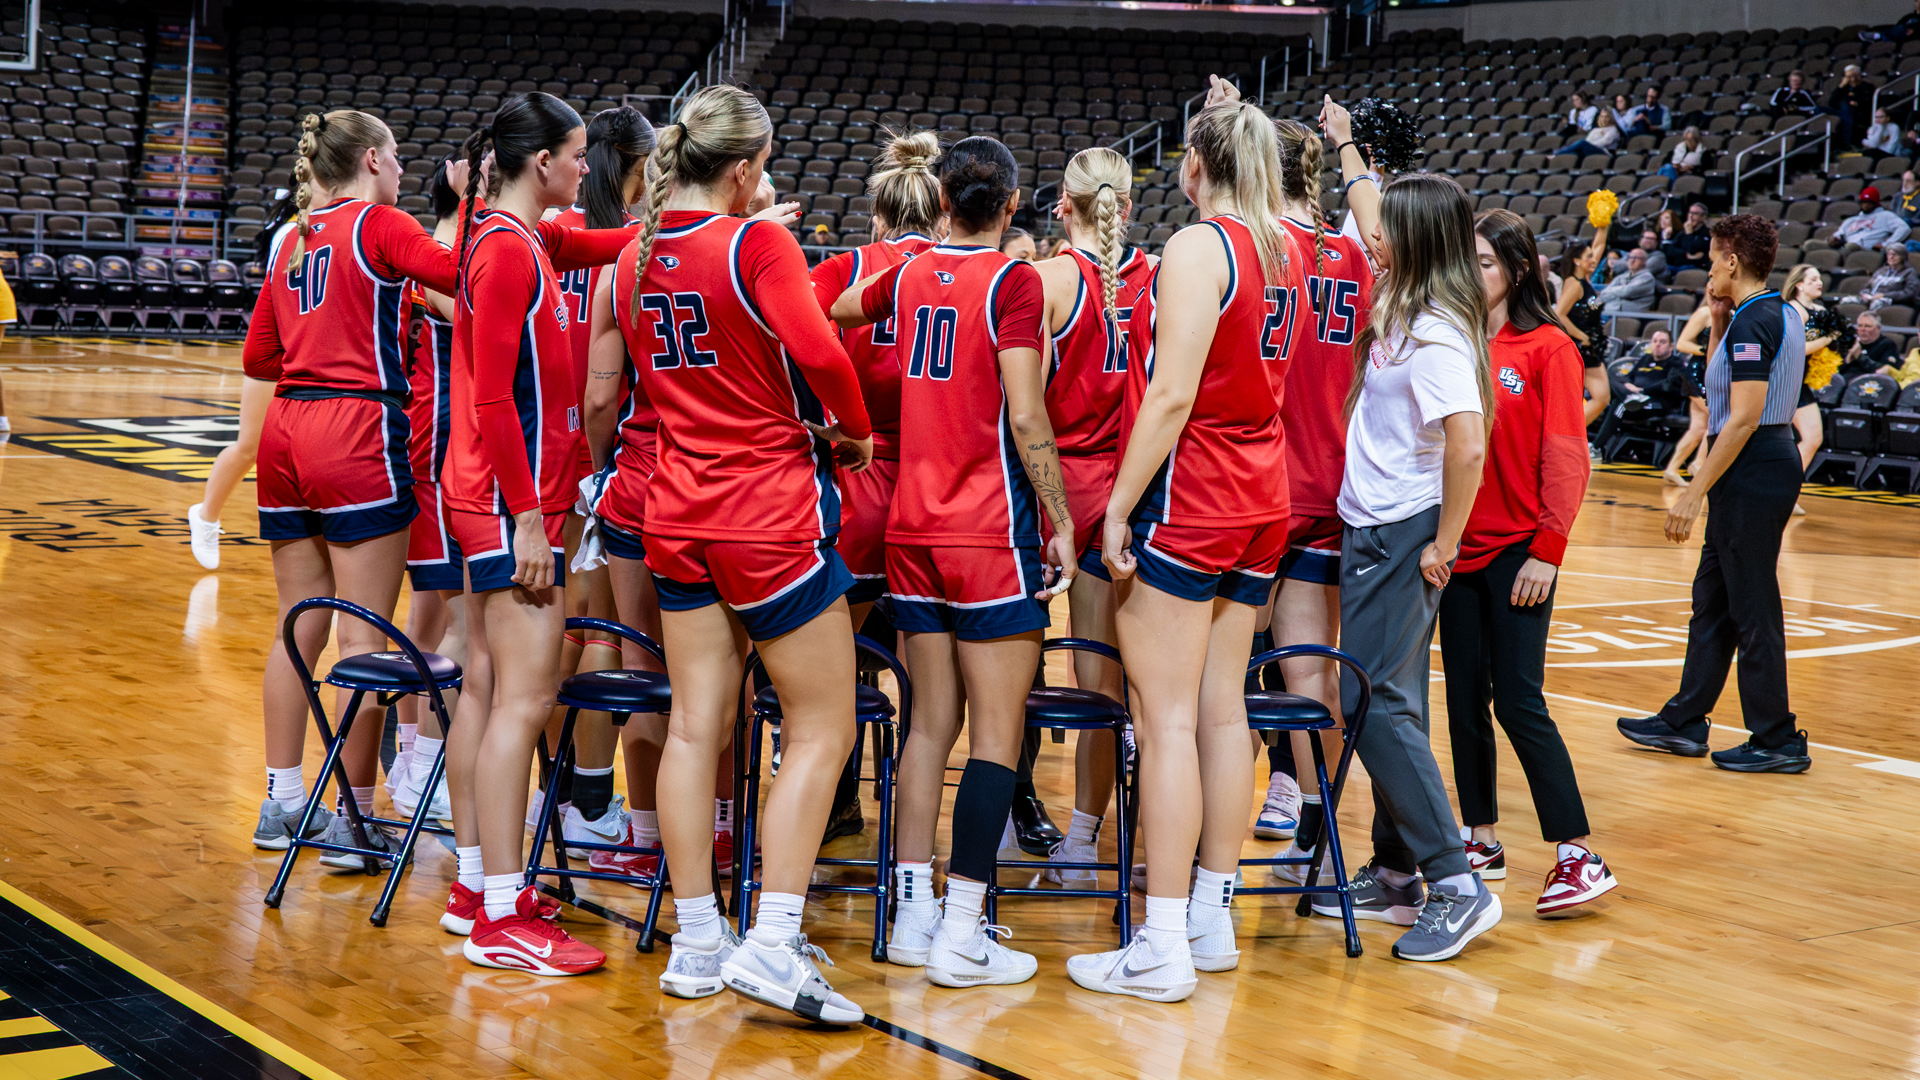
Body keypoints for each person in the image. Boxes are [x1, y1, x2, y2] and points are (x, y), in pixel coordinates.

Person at [1052, 94, 1295, 999]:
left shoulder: (1201, 246)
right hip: (1263, 492)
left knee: (1166, 723)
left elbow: (1170, 396)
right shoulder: (1287, 246)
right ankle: (1210, 917)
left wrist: (1116, 508)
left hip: (1195, 494)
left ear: (1194, 166)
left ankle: (1159, 943)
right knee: (1226, 710)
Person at [832, 135, 1069, 990]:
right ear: (1010, 206)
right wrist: (1062, 517)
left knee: (927, 725)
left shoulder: (904, 274)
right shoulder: (1015, 280)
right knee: (997, 735)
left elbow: (838, 312)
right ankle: (964, 930)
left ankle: (911, 916)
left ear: (938, 197)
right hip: (986, 532)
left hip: (909, 531)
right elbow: (1026, 413)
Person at [442, 91, 637, 974]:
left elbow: (609, 241)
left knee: (486, 690)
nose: (586, 168)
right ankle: (497, 919)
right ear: (542, 162)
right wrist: (527, 517)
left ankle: (480, 886)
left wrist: (699, 226)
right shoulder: (505, 256)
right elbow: (487, 396)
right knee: (521, 699)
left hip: (496, 498)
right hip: (505, 503)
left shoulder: (525, 237)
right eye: (577, 154)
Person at [243, 110, 460, 860]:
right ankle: (355, 819)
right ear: (371, 160)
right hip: (357, 427)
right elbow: (469, 276)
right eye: (397, 157)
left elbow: (260, 357)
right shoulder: (382, 224)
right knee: (362, 633)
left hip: (285, 431)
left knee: (295, 620)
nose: (403, 170)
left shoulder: (293, 240)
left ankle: (282, 801)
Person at [1310, 172, 1499, 961]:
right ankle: (1394, 873)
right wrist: (1349, 147)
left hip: (1403, 532)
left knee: (1374, 706)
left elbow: (1469, 442)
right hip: (1377, 526)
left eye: (1386, 229)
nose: (1371, 237)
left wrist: (1445, 544)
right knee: (1393, 701)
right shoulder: (1404, 298)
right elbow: (1365, 208)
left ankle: (1456, 885)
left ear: (1414, 240)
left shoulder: (1438, 334)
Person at [1444, 209, 1617, 916]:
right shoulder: (1452, 341)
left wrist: (1547, 551)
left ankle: (1577, 851)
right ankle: (1479, 837)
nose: (1472, 272)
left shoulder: (1549, 347)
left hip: (1521, 553)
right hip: (1455, 548)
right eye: (1467, 261)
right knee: (1461, 700)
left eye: (1484, 262)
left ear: (1517, 271)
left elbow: (1566, 458)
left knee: (1518, 698)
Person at [1617, 214, 1811, 773]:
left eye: (1711, 257)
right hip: (1757, 462)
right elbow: (1719, 392)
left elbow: (1742, 417)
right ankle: (1684, 720)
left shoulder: (1758, 321)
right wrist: (1720, 323)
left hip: (1753, 463)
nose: (1707, 267)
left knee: (1752, 608)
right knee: (1714, 602)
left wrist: (1693, 491)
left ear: (1732, 261)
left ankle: (1777, 738)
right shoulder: (1769, 313)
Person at [802, 127, 943, 845]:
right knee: (929, 665)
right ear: (939, 211)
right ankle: (912, 825)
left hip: (856, 475)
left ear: (879, 214)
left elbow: (789, 336)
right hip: (934, 483)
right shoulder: (958, 270)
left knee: (842, 661)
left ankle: (837, 801)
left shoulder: (844, 268)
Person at [1256, 102, 1379, 879]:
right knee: (1311, 673)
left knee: (1217, 677)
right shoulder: (1358, 254)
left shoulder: (1256, 250)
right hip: (1336, 483)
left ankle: (1191, 863)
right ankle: (1318, 821)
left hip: (1259, 483)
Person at [1029, 145, 1156, 886]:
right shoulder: (1164, 274)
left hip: (1057, 492)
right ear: (1128, 208)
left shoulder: (1046, 279)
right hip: (1135, 492)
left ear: (1061, 207)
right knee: (1131, 688)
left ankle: (1069, 840)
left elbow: (1024, 405)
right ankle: (1111, 843)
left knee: (1064, 684)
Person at [546, 104, 663, 885]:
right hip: (598, 458)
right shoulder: (635, 243)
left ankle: (555, 799)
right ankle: (588, 805)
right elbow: (601, 391)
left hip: (540, 450)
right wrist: (601, 469)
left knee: (556, 636)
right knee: (600, 637)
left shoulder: (549, 226)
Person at [1781, 265, 1844, 518]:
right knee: (1810, 437)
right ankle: (1783, 492)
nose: (1820, 282)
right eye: (1814, 279)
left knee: (1811, 438)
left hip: (1801, 381)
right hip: (1786, 379)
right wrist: (1831, 337)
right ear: (1799, 284)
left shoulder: (1819, 310)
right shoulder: (1793, 310)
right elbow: (1798, 348)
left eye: (1820, 278)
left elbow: (1826, 344)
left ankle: (1786, 492)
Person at [1555, 231, 1612, 424]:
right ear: (1577, 261)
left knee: (1601, 398)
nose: (1593, 259)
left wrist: (1603, 226)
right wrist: (1582, 337)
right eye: (1588, 257)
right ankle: (1568, 436)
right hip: (1580, 348)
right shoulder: (1574, 284)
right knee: (1601, 398)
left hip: (1590, 347)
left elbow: (1599, 246)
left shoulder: (1585, 279)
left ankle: (1568, 436)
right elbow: (1559, 315)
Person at [1665, 303, 1712, 486]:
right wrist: (1708, 351)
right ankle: (1698, 463)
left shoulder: (1732, 312)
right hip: (1697, 373)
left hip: (1711, 374)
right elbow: (1682, 343)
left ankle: (1672, 468)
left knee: (1699, 427)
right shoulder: (1704, 312)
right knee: (1719, 419)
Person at [1833, 187, 1910, 252]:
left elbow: (1904, 228)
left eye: (1869, 202)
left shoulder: (1885, 215)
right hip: (1844, 244)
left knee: (1849, 246)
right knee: (1822, 245)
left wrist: (1886, 244)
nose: (1865, 205)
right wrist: (1835, 238)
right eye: (1863, 202)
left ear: (1875, 203)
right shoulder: (1853, 219)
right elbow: (1839, 233)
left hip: (1864, 250)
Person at [1844, 310, 1903, 378]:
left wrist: (1860, 357)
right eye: (1860, 325)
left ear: (1878, 328)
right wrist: (1847, 360)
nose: (1863, 329)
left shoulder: (1887, 345)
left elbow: (1885, 371)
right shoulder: (1852, 344)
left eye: (1867, 326)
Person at [1827, 65, 1876, 146]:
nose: (1850, 79)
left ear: (1858, 75)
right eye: (1847, 77)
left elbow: (1870, 103)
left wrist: (1858, 104)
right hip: (1841, 111)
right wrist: (1840, 87)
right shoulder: (1844, 87)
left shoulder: (1868, 87)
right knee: (1819, 109)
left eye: (1851, 76)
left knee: (1847, 109)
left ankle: (1846, 143)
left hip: (1860, 112)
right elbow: (1832, 103)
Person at [1597, 247, 1655, 315]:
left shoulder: (1647, 278)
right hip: (1611, 312)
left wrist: (1612, 290)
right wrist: (1619, 292)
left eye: (1637, 258)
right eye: (1630, 257)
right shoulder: (1622, 277)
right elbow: (1603, 294)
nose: (1632, 260)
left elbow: (1627, 291)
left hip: (1632, 315)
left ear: (1644, 261)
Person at [1861, 244, 1920, 310]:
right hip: (1871, 297)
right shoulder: (1881, 270)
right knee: (1848, 300)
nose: (1891, 257)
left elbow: (1909, 293)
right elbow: (1868, 287)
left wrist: (1884, 295)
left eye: (1895, 255)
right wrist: (1865, 293)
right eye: (1889, 254)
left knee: (1876, 303)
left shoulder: (1909, 272)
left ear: (1903, 257)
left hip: (1892, 301)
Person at [1664, 202, 1713, 274]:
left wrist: (1689, 234)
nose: (1690, 216)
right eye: (1690, 213)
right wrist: (1684, 254)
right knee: (1662, 269)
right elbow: (1670, 250)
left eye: (1695, 214)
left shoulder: (1707, 234)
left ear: (1703, 217)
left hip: (1695, 268)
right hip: (1677, 265)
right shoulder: (1682, 232)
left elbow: (1692, 250)